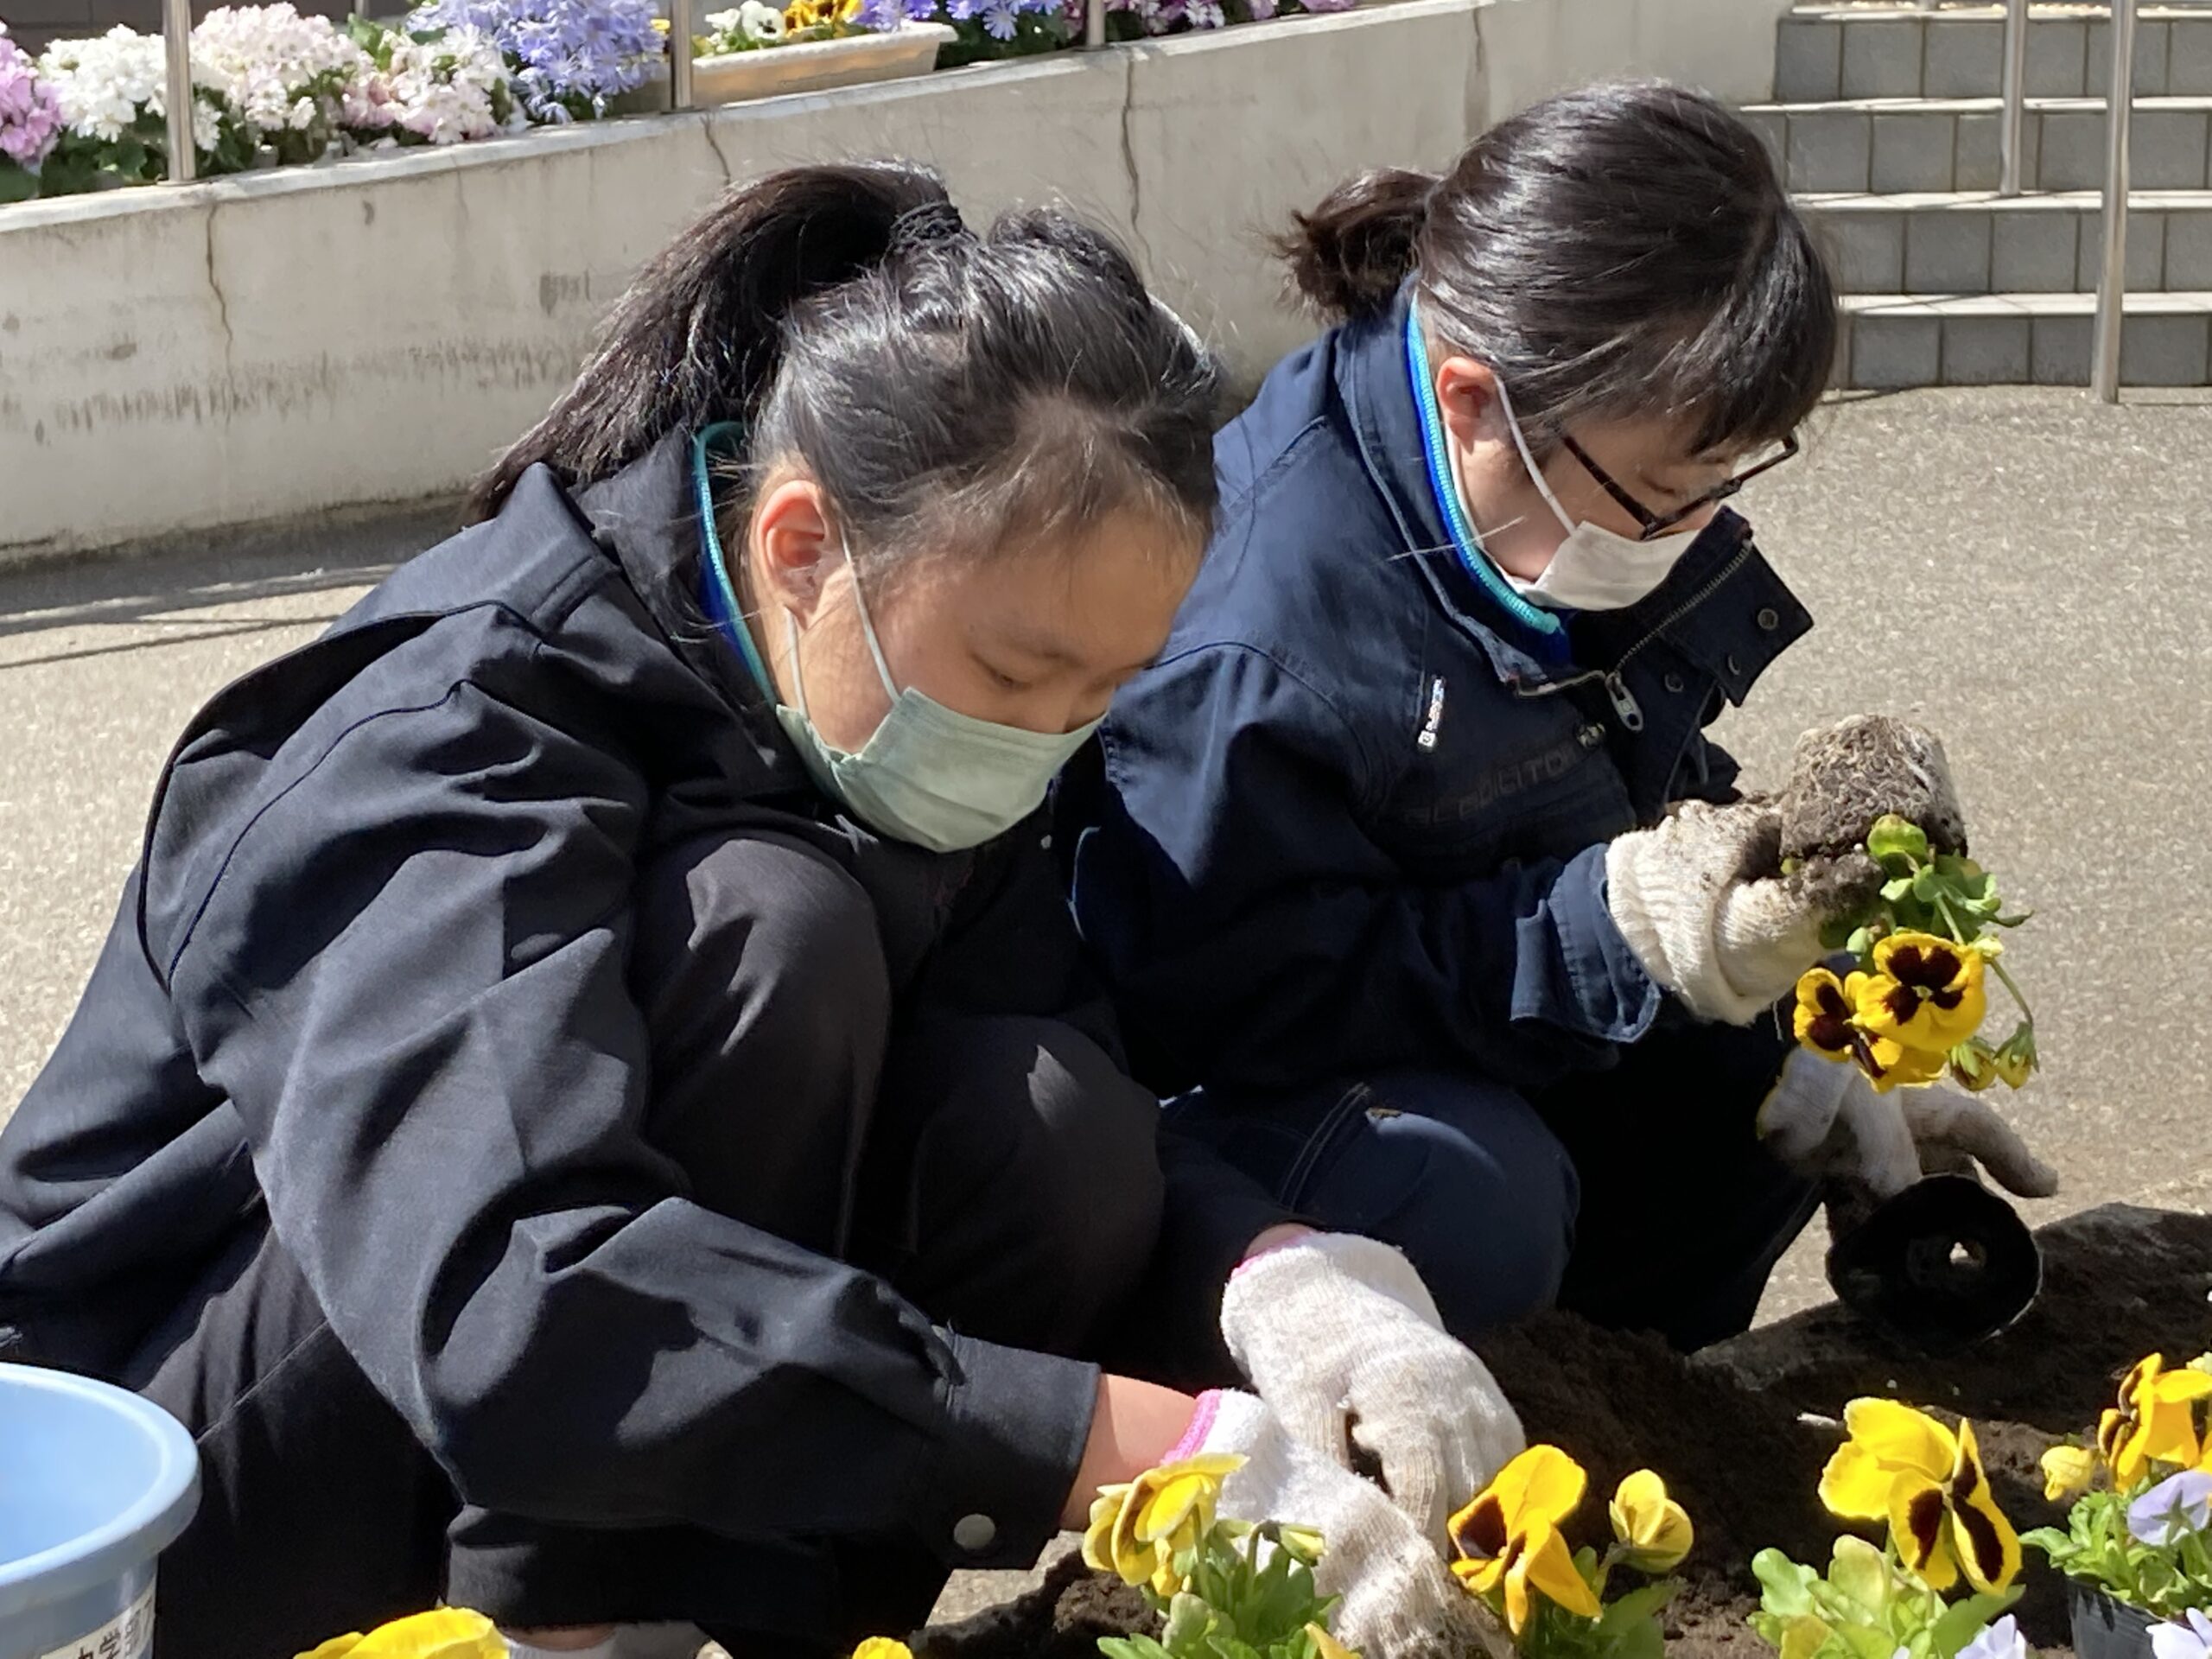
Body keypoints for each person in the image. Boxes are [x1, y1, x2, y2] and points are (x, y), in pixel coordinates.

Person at [0, 165, 1509, 1659]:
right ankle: (550, 1635)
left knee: (1058, 1127)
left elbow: (1059, 1062)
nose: (1047, 736)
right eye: (1012, 675)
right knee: (771, 930)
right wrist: (1129, 1450)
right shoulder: (442, 737)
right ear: (801, 545)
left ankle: (717, 1633)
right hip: (149, 1499)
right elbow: (503, 1288)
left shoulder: (871, 699)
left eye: (1102, 691)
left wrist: (1285, 1285)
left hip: (485, 1401)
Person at [1065, 82, 2057, 1365]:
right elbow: (1234, 1006)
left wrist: (1796, 995)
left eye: (1726, 483)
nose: (1688, 531)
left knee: (1754, 1082)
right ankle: (1393, 1489)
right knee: (1469, 1197)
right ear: (1476, 399)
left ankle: (1630, 1439)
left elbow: (1622, 781)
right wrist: (1621, 929)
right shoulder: (1254, 643)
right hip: (1236, 1131)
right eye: (1662, 493)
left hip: (1460, 1025)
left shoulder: (1528, 498)